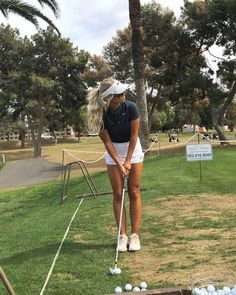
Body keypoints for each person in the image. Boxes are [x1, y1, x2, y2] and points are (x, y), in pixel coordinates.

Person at [87, 77, 144, 252]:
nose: (123, 95)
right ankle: (122, 236)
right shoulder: (99, 115)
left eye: (123, 92)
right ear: (109, 98)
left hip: (132, 149)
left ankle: (134, 236)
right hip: (113, 153)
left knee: (133, 191)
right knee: (118, 194)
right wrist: (119, 164)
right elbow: (108, 143)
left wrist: (127, 161)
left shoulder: (131, 107)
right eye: (119, 94)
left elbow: (134, 136)